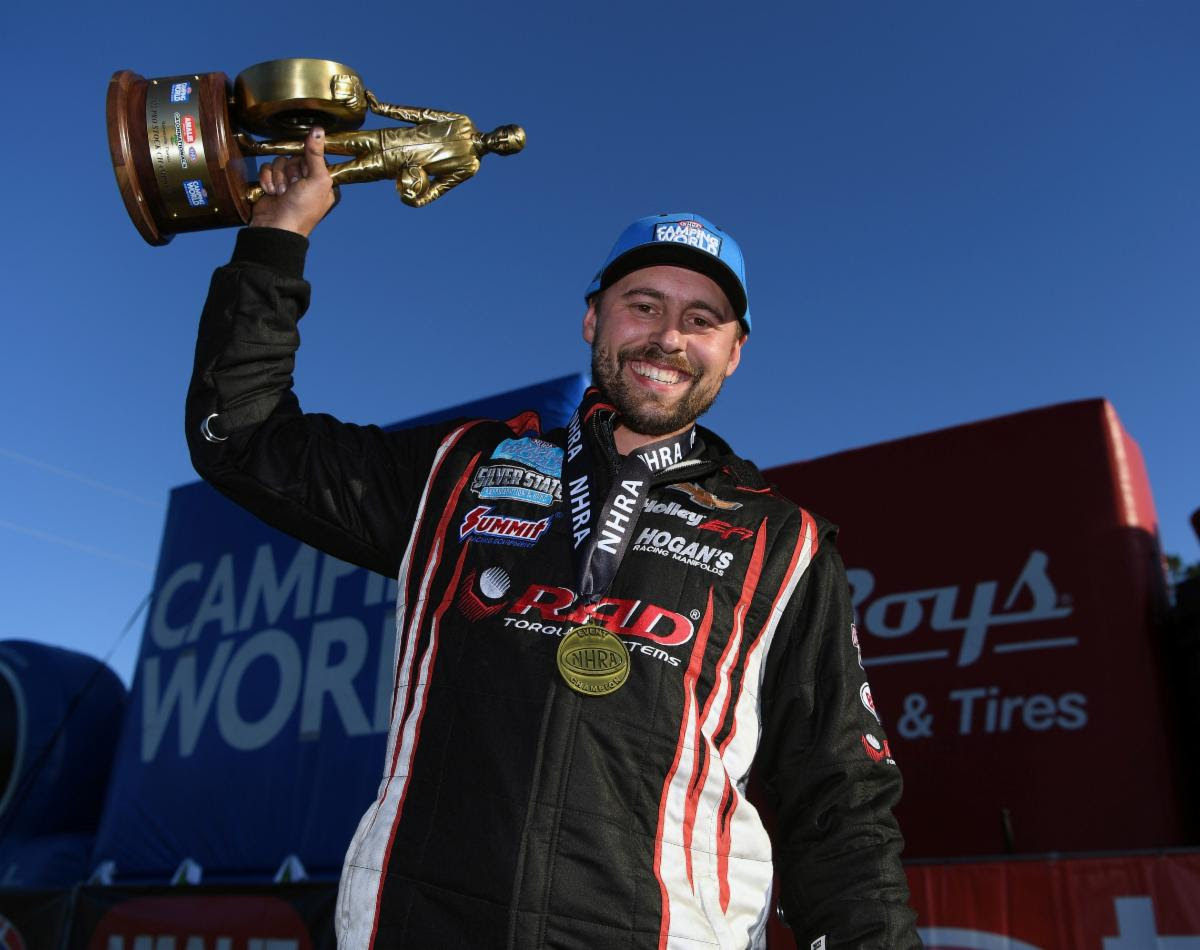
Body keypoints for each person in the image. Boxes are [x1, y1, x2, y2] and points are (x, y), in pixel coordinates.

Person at [187, 127, 920, 948]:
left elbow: (839, 799)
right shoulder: (458, 472)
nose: (668, 338)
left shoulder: (785, 545)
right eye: (643, 305)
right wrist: (277, 237)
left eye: (700, 318)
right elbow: (240, 437)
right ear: (591, 320)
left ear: (734, 353)